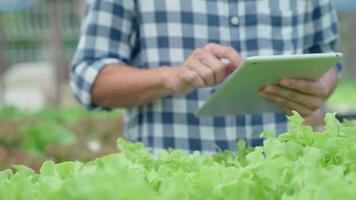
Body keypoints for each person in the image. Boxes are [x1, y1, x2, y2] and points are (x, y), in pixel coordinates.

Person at [71, 0, 341, 154]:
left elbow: (327, 57)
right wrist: (170, 77)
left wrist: (320, 86)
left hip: (279, 177)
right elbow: (89, 77)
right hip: (166, 185)